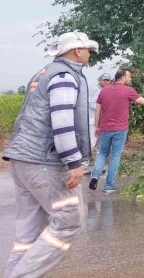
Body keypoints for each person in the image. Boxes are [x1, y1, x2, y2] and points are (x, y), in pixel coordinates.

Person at [3, 31, 98, 278]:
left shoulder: (43, 73)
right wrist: (74, 162)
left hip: (21, 160)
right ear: (77, 50)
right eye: (88, 49)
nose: (90, 53)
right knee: (68, 222)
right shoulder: (65, 76)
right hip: (43, 163)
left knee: (28, 233)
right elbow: (62, 121)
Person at [89, 69, 144, 194]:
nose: (130, 79)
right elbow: (143, 101)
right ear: (123, 78)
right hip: (120, 129)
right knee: (115, 155)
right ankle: (108, 186)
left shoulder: (104, 91)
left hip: (105, 128)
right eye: (129, 77)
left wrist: (96, 127)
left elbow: (98, 111)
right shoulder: (128, 91)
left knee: (102, 153)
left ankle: (94, 176)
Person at [84, 73, 113, 175]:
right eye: (104, 80)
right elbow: (90, 103)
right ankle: (83, 166)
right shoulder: (94, 90)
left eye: (107, 80)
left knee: (102, 146)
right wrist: (102, 108)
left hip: (105, 122)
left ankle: (98, 168)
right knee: (90, 144)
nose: (105, 82)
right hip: (93, 121)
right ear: (99, 80)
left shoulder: (110, 90)